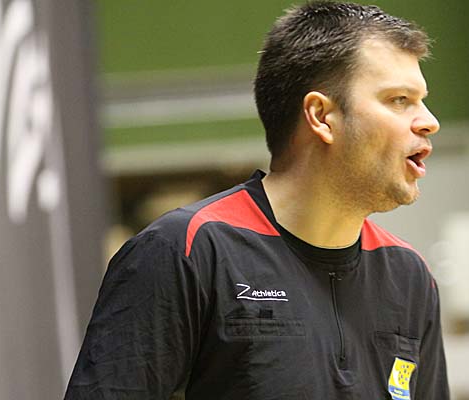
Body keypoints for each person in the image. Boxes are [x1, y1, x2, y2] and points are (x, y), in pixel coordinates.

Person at [65, 1, 449, 399]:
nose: (429, 121)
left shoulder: (409, 276)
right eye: (399, 100)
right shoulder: (187, 249)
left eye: (421, 100)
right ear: (321, 116)